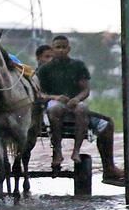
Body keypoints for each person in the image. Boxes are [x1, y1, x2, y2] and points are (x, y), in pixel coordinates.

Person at [36, 35, 124, 184]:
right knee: (54, 110)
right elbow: (39, 94)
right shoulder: (44, 70)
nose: (61, 50)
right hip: (54, 105)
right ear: (53, 49)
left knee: (95, 116)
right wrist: (56, 97)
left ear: (69, 49)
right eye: (57, 47)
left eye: (64, 47)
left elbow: (85, 90)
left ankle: (82, 154)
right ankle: (57, 152)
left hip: (74, 104)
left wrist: (76, 99)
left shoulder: (78, 66)